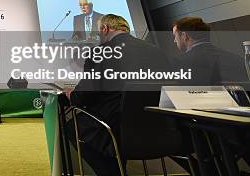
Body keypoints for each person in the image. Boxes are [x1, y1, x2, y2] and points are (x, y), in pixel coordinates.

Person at [65, 14, 170, 176]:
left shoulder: (100, 52)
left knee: (72, 127)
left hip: (114, 126)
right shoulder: (157, 51)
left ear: (105, 28)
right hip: (159, 127)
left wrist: (72, 95)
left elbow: (85, 95)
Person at [172, 16, 247, 85]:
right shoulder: (238, 60)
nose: (175, 41)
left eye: (175, 36)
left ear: (184, 36)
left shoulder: (181, 62)